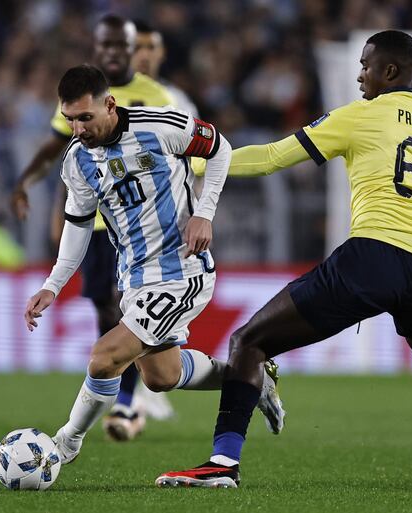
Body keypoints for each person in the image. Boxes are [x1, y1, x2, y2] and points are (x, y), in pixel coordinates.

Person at [156, 30, 412, 489]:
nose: (359, 73)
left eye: (366, 65)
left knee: (249, 341)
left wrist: (197, 162)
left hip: (371, 258)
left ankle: (222, 464)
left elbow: (269, 158)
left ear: (390, 71)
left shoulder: (360, 117)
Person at [24, 64, 285, 466]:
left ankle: (64, 445)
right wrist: (52, 285)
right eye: (70, 119)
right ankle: (250, 376)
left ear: (110, 105)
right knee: (160, 376)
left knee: (105, 356)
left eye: (85, 118)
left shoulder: (160, 126)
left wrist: (205, 213)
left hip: (182, 271)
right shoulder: (77, 162)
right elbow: (77, 228)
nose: (77, 130)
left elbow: (220, 148)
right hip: (134, 279)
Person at [10, 14, 177, 442]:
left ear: (132, 49)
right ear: (98, 45)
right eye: (106, 46)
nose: (114, 53)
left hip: (143, 223)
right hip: (97, 222)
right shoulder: (77, 93)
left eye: (122, 47)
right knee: (106, 305)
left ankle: (126, 398)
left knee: (129, 305)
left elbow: (179, 152)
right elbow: (60, 150)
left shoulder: (154, 97)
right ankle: (130, 383)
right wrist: (32, 187)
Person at [131, 20, 199, 118]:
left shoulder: (177, 99)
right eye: (136, 48)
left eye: (151, 48)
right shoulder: (109, 96)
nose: (144, 56)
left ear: (162, 52)